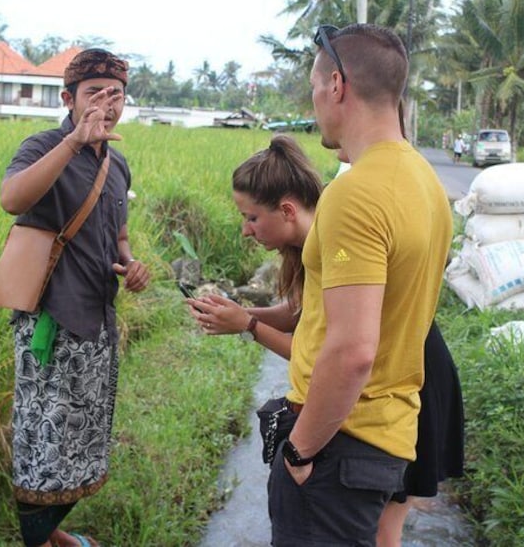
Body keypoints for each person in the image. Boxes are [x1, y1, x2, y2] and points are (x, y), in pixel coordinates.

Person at [188, 134, 463, 546]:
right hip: (394, 376)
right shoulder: (310, 245)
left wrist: (248, 326)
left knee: (385, 530)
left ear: (286, 209)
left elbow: (330, 352)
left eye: (251, 218)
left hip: (407, 375)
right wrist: (241, 315)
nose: (246, 230)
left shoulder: (339, 232)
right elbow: (305, 316)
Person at [240, 23, 450, 546]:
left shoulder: (355, 193)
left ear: (337, 85)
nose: (314, 103)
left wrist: (299, 449)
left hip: (339, 442)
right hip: (386, 437)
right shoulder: (426, 182)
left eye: (314, 88)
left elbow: (353, 348)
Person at [0, 48, 150, 547]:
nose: (106, 104)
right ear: (68, 98)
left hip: (97, 324)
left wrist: (131, 263)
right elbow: (12, 199)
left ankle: (53, 536)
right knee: (43, 444)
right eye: (94, 94)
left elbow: (120, 235)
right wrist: (71, 143)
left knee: (78, 442)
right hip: (51, 324)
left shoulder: (118, 162)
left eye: (116, 95)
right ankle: (41, 540)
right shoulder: (43, 144)